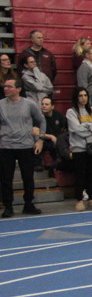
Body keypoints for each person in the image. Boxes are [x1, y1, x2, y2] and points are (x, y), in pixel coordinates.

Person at [0, 77, 46, 217]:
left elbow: (41, 120)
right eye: (5, 86)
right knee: (6, 178)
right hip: (6, 146)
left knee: (28, 176)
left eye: (9, 86)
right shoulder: (0, 104)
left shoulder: (29, 104)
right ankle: (8, 206)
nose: (5, 88)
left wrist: (40, 140)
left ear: (18, 89)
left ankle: (28, 203)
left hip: (25, 145)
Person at [66, 86, 92, 211]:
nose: (83, 98)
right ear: (76, 97)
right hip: (79, 148)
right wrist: (91, 128)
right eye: (80, 96)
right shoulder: (71, 112)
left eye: (85, 95)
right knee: (80, 174)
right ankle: (79, 200)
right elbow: (76, 129)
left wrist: (86, 125)